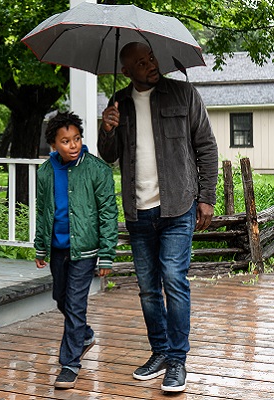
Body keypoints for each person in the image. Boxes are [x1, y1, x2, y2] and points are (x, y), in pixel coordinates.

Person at [98, 42, 218, 393]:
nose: (150, 65)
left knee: (173, 278)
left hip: (177, 206)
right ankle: (161, 352)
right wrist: (107, 128)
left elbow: (206, 146)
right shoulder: (118, 103)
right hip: (138, 211)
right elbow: (108, 155)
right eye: (140, 62)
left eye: (150, 58)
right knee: (149, 289)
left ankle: (178, 360)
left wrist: (206, 198)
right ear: (126, 71)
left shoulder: (183, 94)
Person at [35, 111, 118, 390]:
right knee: (60, 296)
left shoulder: (97, 169)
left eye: (77, 139)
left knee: (75, 303)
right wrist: (40, 247)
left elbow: (108, 213)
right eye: (66, 141)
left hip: (85, 249)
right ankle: (85, 334)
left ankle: (69, 365)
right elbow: (42, 212)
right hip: (58, 249)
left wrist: (107, 252)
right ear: (53, 144)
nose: (73, 145)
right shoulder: (45, 172)